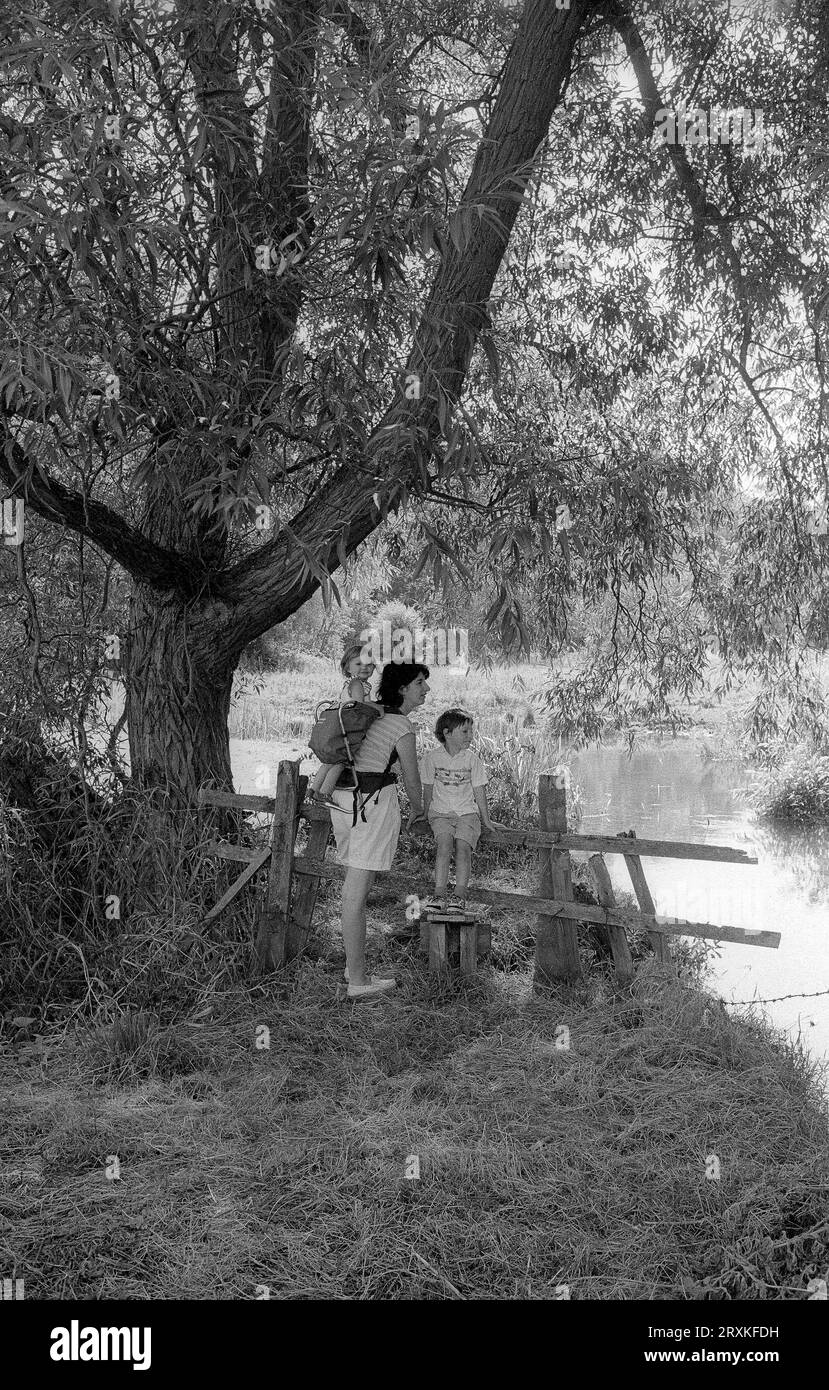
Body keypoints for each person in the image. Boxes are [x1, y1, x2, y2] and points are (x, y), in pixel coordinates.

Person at [328, 661, 430, 999]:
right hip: (371, 804)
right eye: (419, 683)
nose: (425, 689)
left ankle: (352, 967)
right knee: (355, 895)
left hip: (344, 802)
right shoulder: (399, 724)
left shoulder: (369, 715)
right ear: (402, 688)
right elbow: (412, 781)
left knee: (355, 888)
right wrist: (419, 812)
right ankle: (357, 981)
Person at [420, 707, 504, 915]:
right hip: (440, 813)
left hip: (467, 813)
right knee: (444, 846)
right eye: (464, 731)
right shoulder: (432, 759)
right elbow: (428, 789)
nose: (470, 735)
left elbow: (479, 791)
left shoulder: (472, 760)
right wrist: (423, 812)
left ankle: (458, 896)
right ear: (447, 733)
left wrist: (486, 819)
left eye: (471, 731)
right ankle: (439, 895)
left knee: (463, 848)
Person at [310, 642, 384, 810]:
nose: (364, 667)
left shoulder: (352, 683)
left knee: (328, 761)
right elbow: (360, 704)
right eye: (359, 664)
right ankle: (324, 794)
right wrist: (378, 707)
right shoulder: (357, 684)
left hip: (339, 725)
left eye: (369, 664)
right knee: (341, 761)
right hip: (347, 728)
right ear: (348, 667)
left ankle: (314, 790)